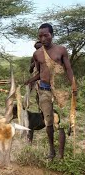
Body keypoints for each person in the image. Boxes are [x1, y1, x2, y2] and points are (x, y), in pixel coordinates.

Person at [24, 23, 77, 159]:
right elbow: (40, 73)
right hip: (44, 91)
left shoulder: (61, 50)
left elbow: (69, 69)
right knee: (48, 123)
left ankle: (61, 155)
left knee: (60, 123)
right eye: (40, 36)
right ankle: (51, 152)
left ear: (52, 35)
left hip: (60, 91)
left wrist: (73, 85)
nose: (43, 39)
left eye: (46, 35)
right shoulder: (37, 54)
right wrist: (30, 80)